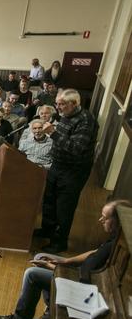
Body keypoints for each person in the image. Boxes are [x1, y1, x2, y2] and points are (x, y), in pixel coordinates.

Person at [0, 200, 130, 319]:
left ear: (118, 222)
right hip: (81, 271)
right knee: (40, 256)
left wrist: (55, 268)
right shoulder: (116, 238)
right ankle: (49, 314)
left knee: (32, 275)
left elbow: (87, 276)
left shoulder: (115, 246)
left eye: (105, 218)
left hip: (82, 281)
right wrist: (64, 261)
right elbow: (94, 252)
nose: (101, 220)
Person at [36, 89, 98, 253]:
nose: (58, 107)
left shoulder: (85, 120)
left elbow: (76, 148)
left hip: (74, 170)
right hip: (57, 165)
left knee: (64, 206)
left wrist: (53, 133)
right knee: (49, 200)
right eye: (57, 103)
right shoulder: (66, 115)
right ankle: (47, 230)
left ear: (74, 104)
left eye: (61, 104)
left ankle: (59, 242)